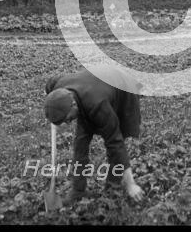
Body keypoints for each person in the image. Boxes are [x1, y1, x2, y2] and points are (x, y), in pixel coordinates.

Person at [44, 66, 145, 202]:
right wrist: (52, 106)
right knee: (80, 144)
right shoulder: (60, 87)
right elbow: (50, 84)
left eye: (67, 118)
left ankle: (112, 187)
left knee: (115, 139)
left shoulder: (98, 106)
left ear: (73, 105)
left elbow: (116, 143)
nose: (68, 123)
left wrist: (131, 184)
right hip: (94, 85)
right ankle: (78, 191)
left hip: (123, 88)